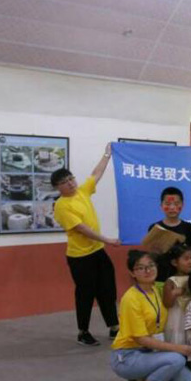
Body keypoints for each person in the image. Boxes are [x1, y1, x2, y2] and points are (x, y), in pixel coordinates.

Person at [52, 144, 120, 346]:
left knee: (107, 289)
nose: (70, 184)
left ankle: (114, 327)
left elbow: (96, 174)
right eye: (64, 182)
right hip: (80, 257)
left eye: (71, 179)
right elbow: (81, 229)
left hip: (98, 252)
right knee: (86, 294)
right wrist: (107, 240)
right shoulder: (61, 206)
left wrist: (107, 155)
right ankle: (83, 332)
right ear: (57, 188)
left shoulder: (82, 191)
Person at [110, 250, 191, 381]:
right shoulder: (130, 298)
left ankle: (142, 377)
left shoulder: (158, 288)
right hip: (128, 355)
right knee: (176, 359)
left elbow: (177, 288)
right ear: (132, 273)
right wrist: (178, 348)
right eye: (141, 268)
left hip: (151, 351)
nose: (147, 270)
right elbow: (141, 339)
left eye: (151, 265)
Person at [147, 187, 191, 283]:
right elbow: (151, 258)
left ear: (182, 205)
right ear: (161, 206)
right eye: (167, 204)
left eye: (176, 204)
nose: (172, 208)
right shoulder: (154, 228)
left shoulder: (189, 228)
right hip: (161, 277)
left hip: (184, 277)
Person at [162, 243, 191, 346]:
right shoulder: (171, 281)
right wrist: (176, 292)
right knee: (179, 342)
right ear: (174, 262)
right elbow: (167, 303)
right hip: (177, 318)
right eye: (186, 259)